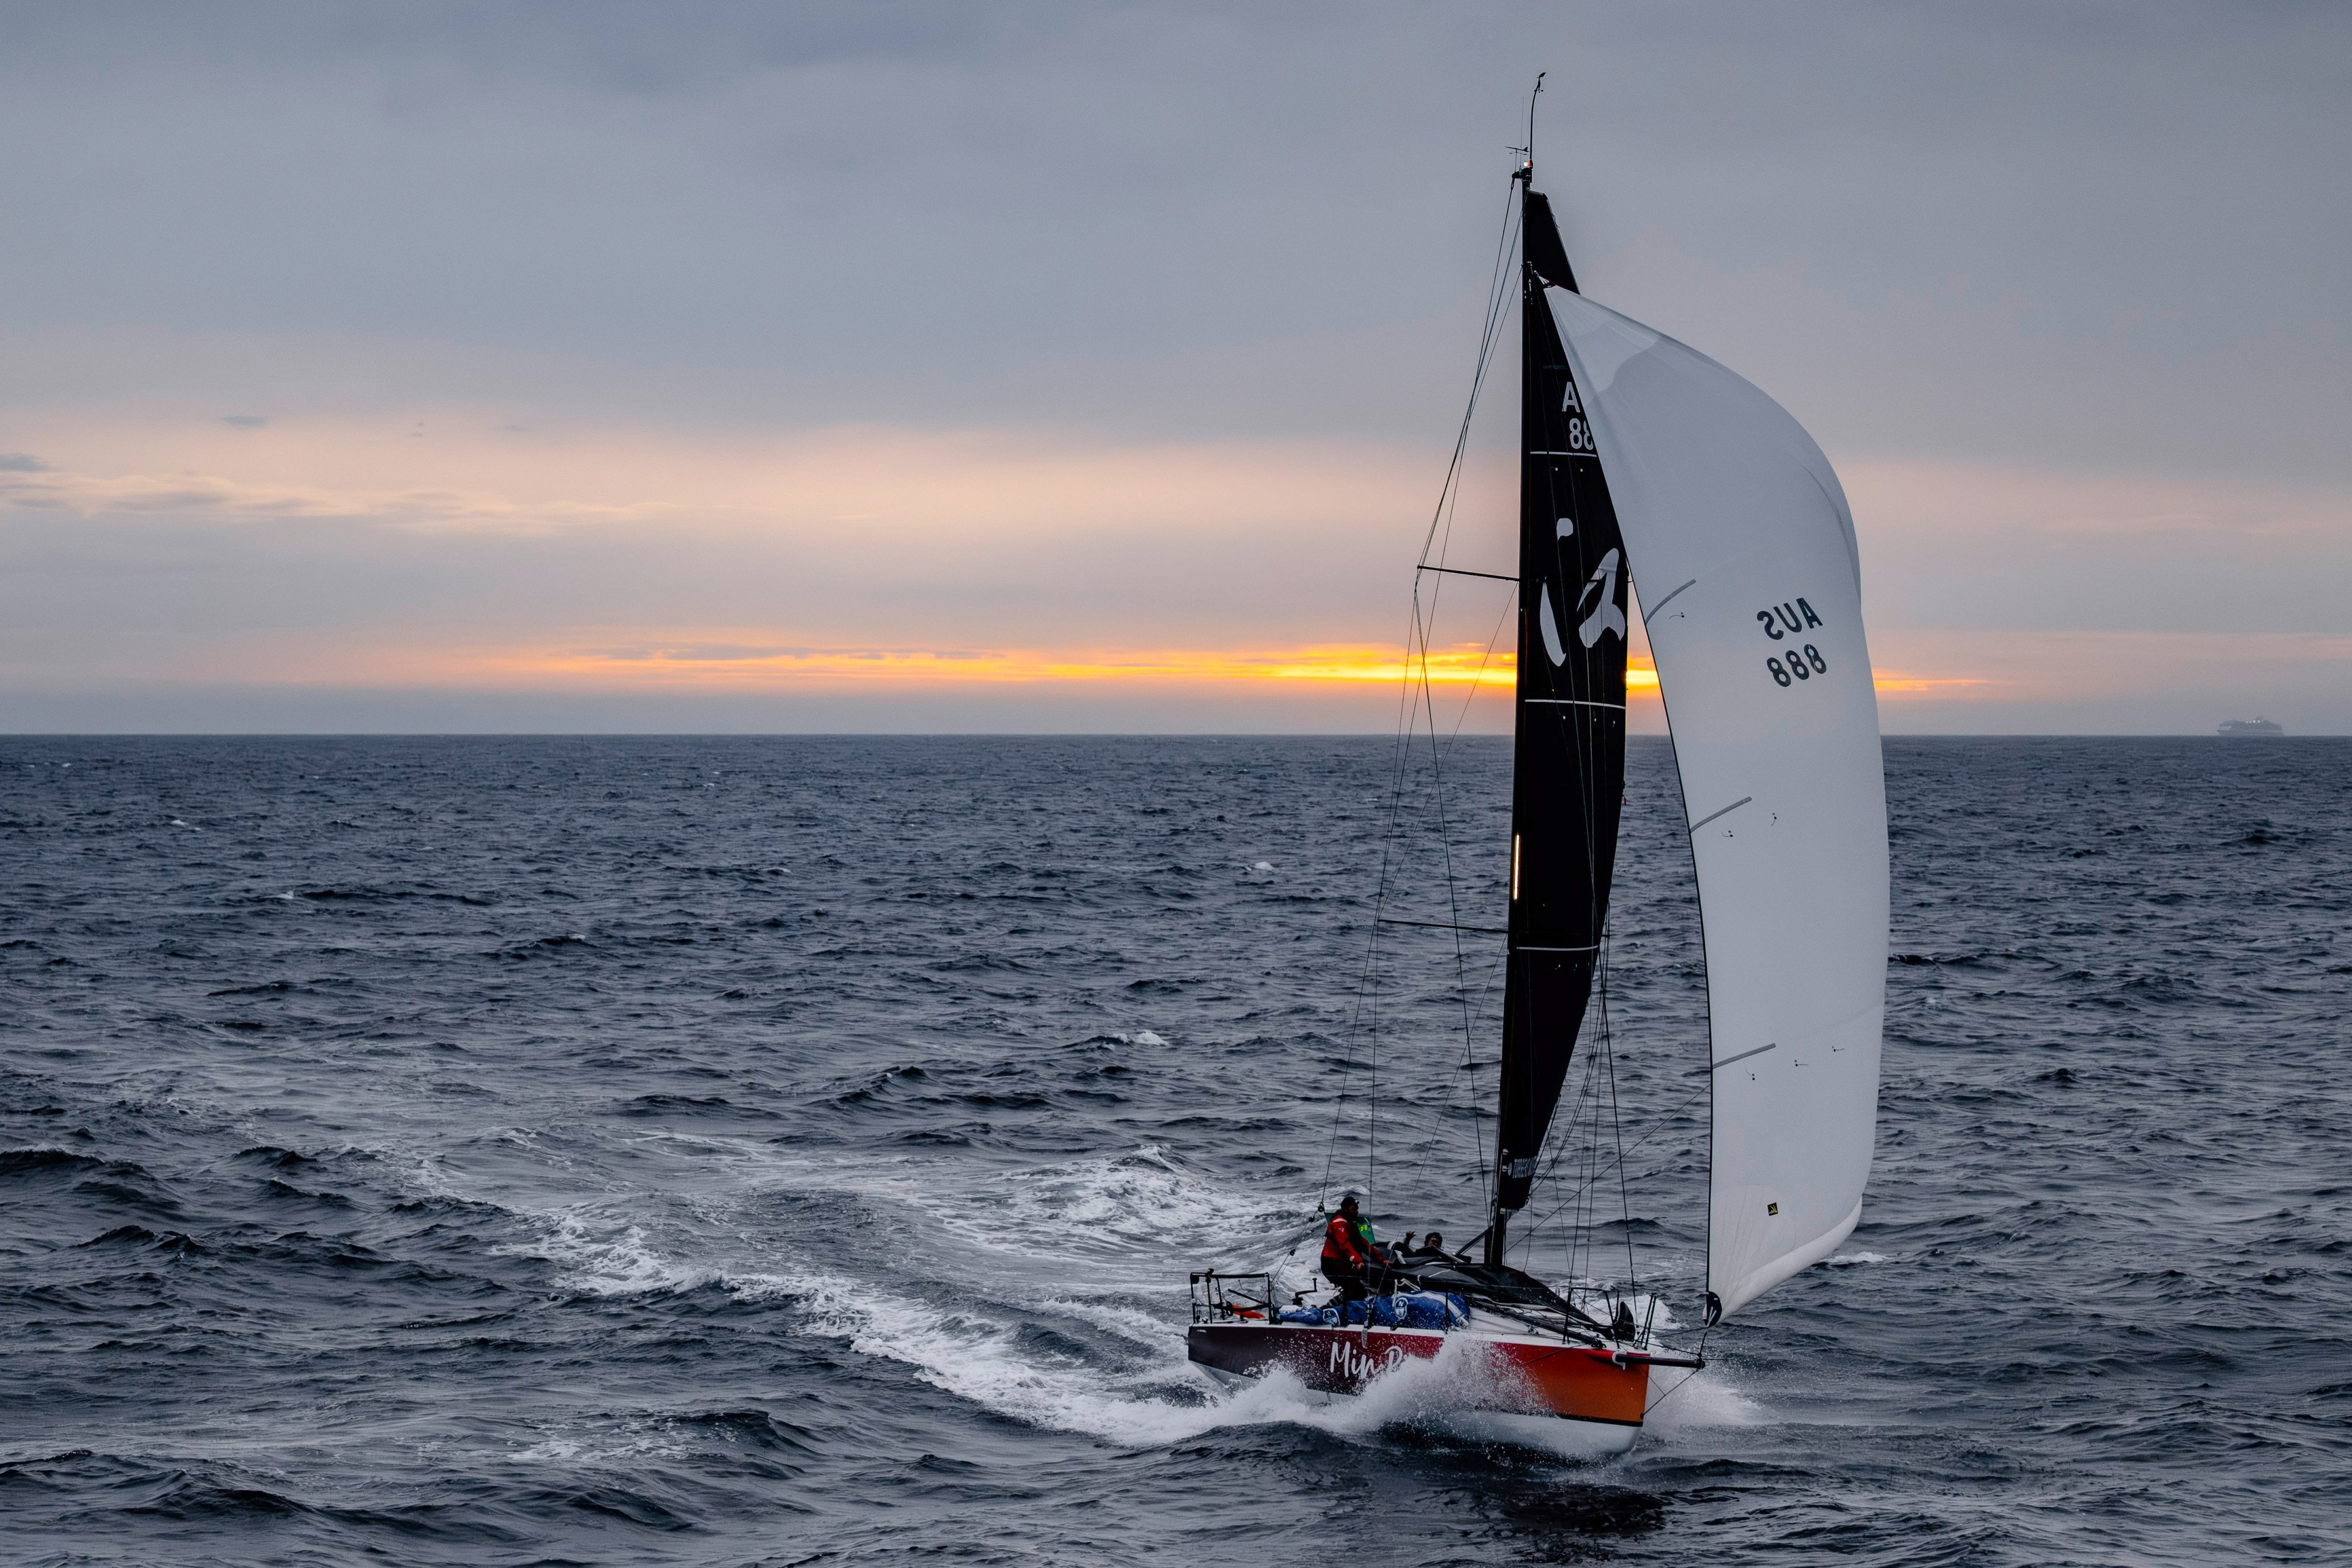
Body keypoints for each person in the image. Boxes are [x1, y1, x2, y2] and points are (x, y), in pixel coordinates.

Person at [1319, 1193, 1377, 1301]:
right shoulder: (1339, 1223)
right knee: (1353, 1288)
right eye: (1353, 1209)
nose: (1357, 1212)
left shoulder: (1350, 1224)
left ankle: (1352, 1309)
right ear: (1345, 1209)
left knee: (1360, 1291)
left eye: (1357, 1209)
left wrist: (1382, 1260)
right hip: (1331, 1264)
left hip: (1341, 1264)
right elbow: (1344, 1244)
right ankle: (1343, 1312)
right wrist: (1358, 1261)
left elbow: (1364, 1244)